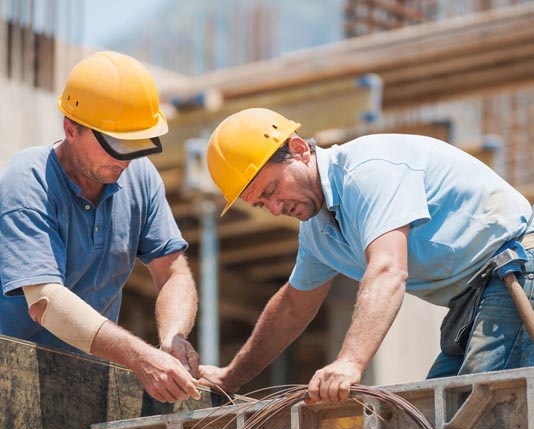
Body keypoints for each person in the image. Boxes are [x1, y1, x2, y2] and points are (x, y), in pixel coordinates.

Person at [199, 107, 534, 403]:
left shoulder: (367, 172)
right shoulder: (319, 231)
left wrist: (350, 361)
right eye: (260, 203)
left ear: (299, 150)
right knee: (437, 416)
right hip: (475, 298)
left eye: (272, 190)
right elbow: (292, 308)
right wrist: (231, 377)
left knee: (475, 416)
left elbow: (388, 269)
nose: (274, 209)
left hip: (517, 269)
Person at [0, 51, 201, 403]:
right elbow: (45, 301)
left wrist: (173, 338)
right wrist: (140, 357)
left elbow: (172, 272)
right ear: (70, 130)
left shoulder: (139, 177)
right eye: (115, 144)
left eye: (135, 144)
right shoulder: (28, 181)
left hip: (85, 381)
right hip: (9, 377)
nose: (125, 159)